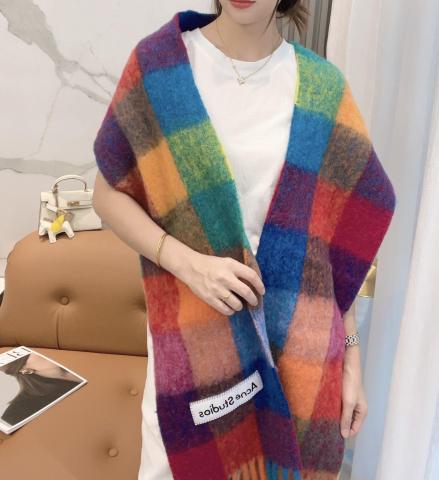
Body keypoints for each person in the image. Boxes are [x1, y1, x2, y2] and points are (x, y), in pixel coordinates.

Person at [93, 1, 376, 478]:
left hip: (298, 355)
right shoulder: (160, 67)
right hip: (192, 346)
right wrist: (187, 264)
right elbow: (106, 195)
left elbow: (335, 251)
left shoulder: (323, 89)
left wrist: (352, 360)